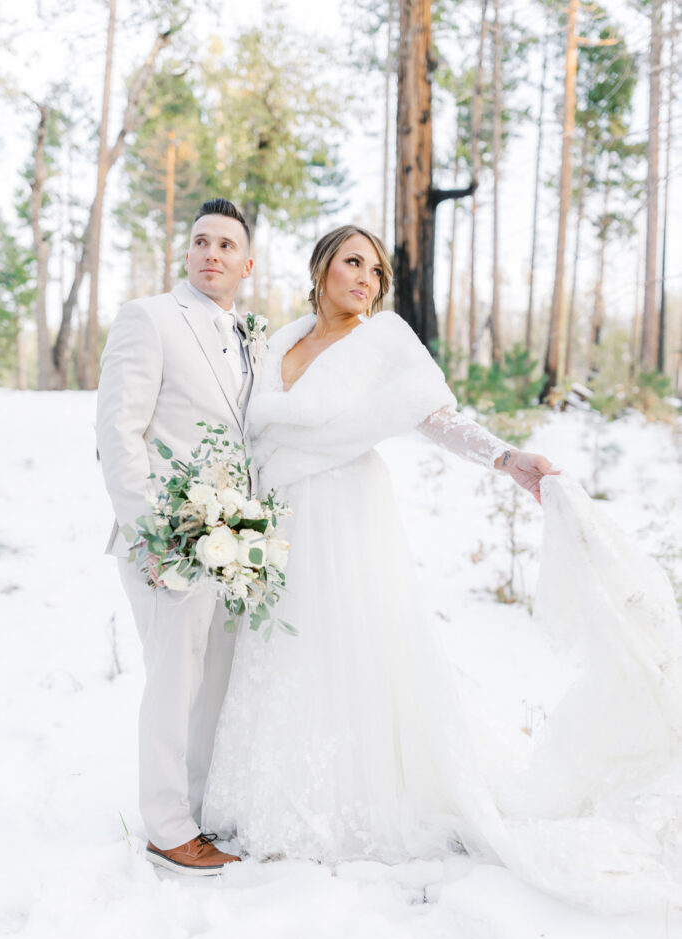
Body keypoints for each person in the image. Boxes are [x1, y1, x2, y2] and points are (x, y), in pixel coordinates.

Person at [201, 224, 555, 861]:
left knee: (349, 646)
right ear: (321, 269)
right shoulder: (278, 340)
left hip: (346, 512)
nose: (367, 278)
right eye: (352, 262)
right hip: (278, 517)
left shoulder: (385, 341)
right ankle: (276, 793)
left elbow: (435, 416)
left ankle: (352, 800)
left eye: (377, 270)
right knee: (284, 649)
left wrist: (506, 458)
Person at [97, 198, 258, 876]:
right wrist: (154, 535)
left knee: (213, 685)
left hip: (230, 544)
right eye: (200, 241)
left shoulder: (248, 334)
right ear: (186, 253)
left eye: (225, 244)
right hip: (167, 540)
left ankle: (196, 811)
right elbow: (117, 434)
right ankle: (166, 828)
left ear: (246, 265)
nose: (211, 253)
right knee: (173, 684)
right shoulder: (149, 317)